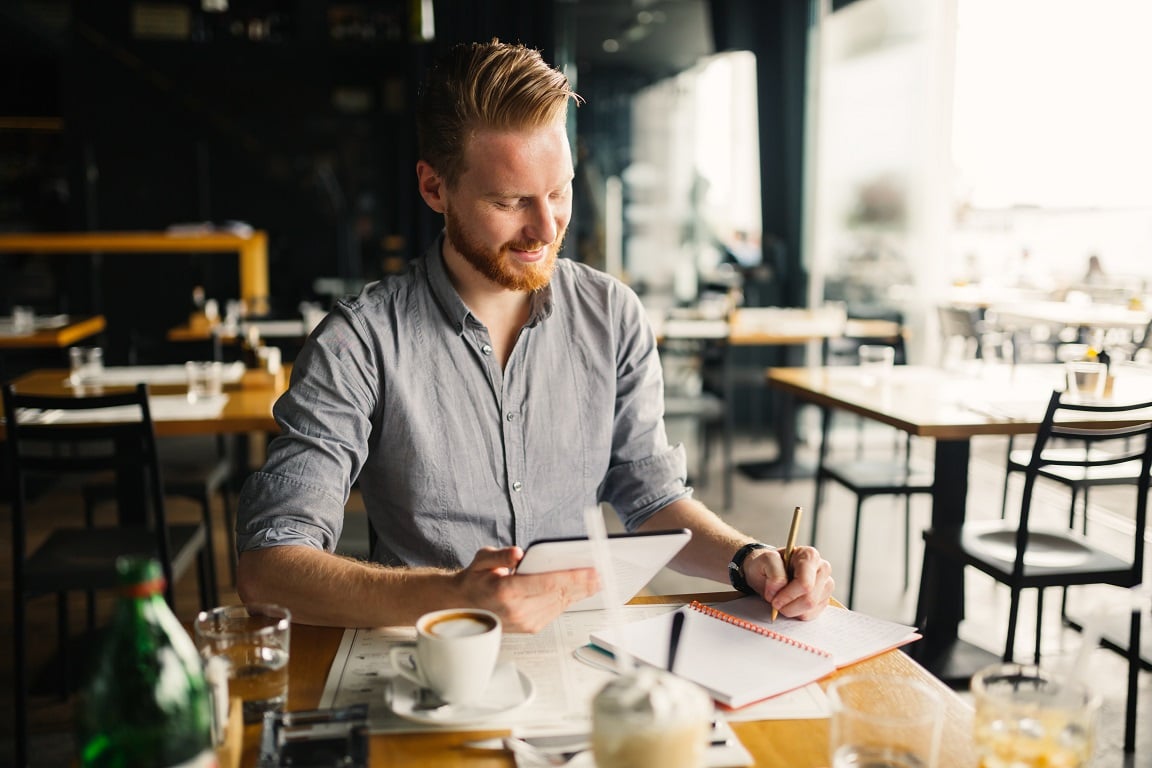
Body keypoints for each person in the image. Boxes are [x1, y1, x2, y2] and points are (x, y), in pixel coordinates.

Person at [236, 40, 834, 633]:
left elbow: (650, 498)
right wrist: (454, 594)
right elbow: (268, 569)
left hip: (588, 650)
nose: (545, 228)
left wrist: (749, 560)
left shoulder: (613, 316)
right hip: (430, 664)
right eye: (510, 200)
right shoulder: (358, 344)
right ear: (434, 188)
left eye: (558, 191)